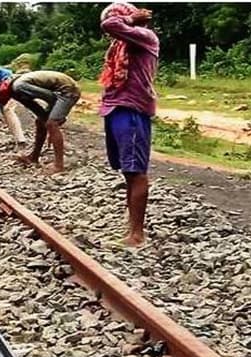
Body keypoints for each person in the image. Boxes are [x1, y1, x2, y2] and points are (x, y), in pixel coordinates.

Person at [100, 2, 159, 247]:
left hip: (132, 109)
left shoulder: (144, 37)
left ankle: (137, 235)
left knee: (136, 172)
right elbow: (110, 25)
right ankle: (132, 230)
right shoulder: (122, 42)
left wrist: (130, 19)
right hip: (116, 109)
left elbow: (109, 23)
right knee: (128, 171)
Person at [0, 70, 80, 173]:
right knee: (40, 122)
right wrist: (45, 120)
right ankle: (34, 158)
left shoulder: (19, 87)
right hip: (58, 93)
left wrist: (55, 122)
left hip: (68, 90)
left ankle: (59, 166)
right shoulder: (14, 92)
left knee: (52, 124)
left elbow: (52, 98)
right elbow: (36, 109)